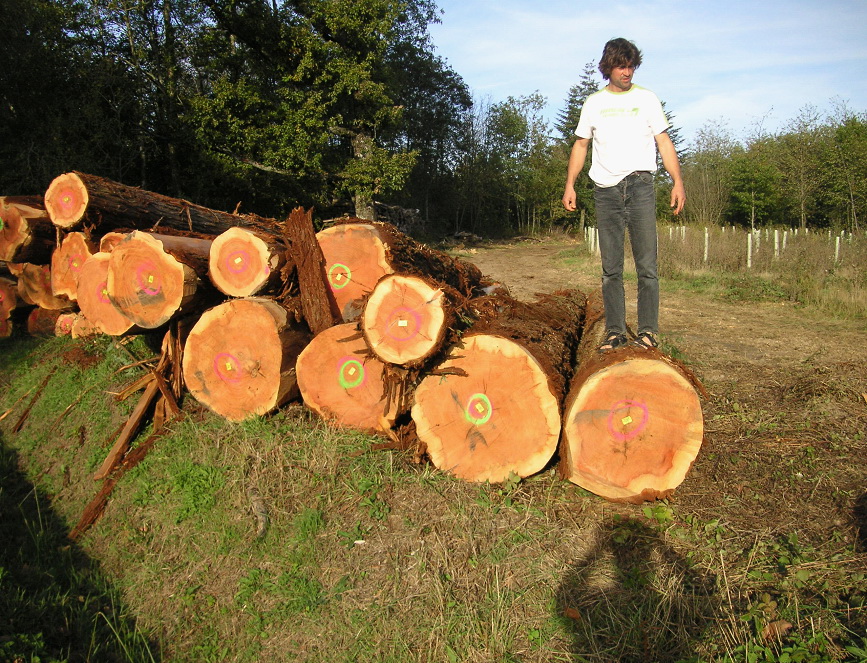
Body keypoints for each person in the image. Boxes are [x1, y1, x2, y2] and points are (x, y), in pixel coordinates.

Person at [562, 37, 685, 352]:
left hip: (641, 187)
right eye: (621, 66)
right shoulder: (594, 103)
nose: (627, 72)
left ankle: (647, 332)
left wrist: (677, 181)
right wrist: (570, 184)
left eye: (631, 66)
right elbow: (580, 145)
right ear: (608, 67)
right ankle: (615, 332)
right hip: (606, 192)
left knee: (647, 266)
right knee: (611, 269)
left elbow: (664, 142)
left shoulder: (647, 99)